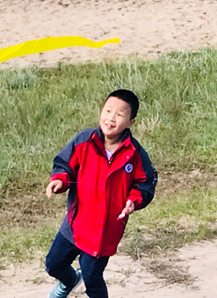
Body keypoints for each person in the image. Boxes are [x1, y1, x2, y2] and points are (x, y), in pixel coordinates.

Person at [44, 89, 157, 298]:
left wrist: (133, 201)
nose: (111, 118)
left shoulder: (134, 154)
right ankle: (71, 280)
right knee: (53, 264)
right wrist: (59, 180)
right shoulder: (84, 141)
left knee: (92, 277)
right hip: (75, 224)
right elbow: (64, 165)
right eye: (108, 111)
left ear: (130, 122)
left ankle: (86, 281)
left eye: (119, 114)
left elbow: (146, 182)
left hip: (105, 232)